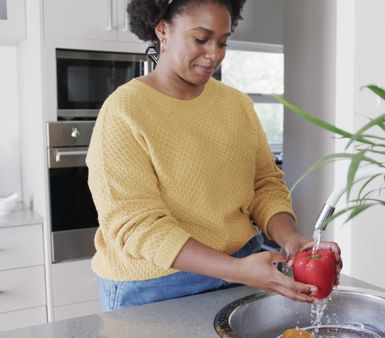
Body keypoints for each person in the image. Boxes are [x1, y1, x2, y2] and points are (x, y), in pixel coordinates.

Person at [86, 0, 341, 311]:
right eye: (201, 39)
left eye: (223, 41)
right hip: (156, 284)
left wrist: (288, 238)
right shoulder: (125, 110)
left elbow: (264, 183)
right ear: (162, 29)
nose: (214, 54)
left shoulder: (236, 105)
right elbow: (137, 225)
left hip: (243, 267)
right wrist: (236, 269)